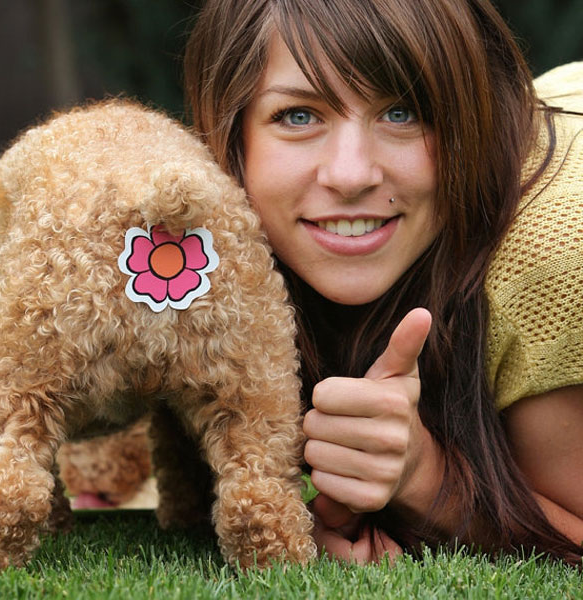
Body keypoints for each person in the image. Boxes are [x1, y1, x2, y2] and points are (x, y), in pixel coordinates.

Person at [183, 0, 583, 565]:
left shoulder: (554, 252)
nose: (350, 175)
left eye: (402, 111)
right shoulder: (203, 231)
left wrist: (426, 481)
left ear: (470, 116)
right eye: (298, 116)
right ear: (228, 131)